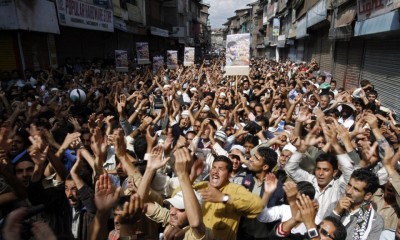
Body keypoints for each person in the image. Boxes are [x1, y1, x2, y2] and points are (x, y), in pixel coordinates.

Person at [324, 168, 384, 240]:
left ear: (367, 196)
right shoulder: (335, 206)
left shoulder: (375, 222)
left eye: (356, 189)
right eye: (349, 185)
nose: (349, 191)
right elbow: (321, 233)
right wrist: (335, 213)